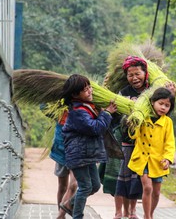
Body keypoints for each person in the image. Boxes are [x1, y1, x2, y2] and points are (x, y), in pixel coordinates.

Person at [60, 74, 118, 219]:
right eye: (86, 90)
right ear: (75, 95)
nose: (90, 91)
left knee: (95, 185)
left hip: (88, 154)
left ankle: (69, 204)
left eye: (90, 87)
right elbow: (95, 128)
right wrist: (107, 114)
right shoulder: (78, 112)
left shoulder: (87, 107)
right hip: (79, 155)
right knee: (85, 186)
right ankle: (77, 215)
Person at [128, 87, 176, 219]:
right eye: (161, 103)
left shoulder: (167, 122)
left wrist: (167, 158)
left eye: (167, 105)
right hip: (143, 158)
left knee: (156, 192)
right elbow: (133, 135)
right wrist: (133, 122)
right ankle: (147, 216)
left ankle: (150, 213)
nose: (163, 107)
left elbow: (170, 143)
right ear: (153, 102)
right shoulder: (142, 116)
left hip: (158, 161)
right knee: (147, 188)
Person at [114, 55, 151, 219]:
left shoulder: (152, 92)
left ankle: (133, 212)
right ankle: (120, 212)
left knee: (136, 178)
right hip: (127, 141)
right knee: (124, 177)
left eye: (138, 74)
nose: (134, 78)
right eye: (130, 75)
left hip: (145, 143)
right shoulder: (123, 93)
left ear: (145, 73)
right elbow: (117, 117)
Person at [49, 110, 77, 219]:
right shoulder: (60, 102)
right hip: (61, 148)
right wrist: (59, 113)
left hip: (76, 150)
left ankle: (62, 213)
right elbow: (45, 107)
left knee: (74, 184)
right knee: (62, 186)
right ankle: (61, 216)